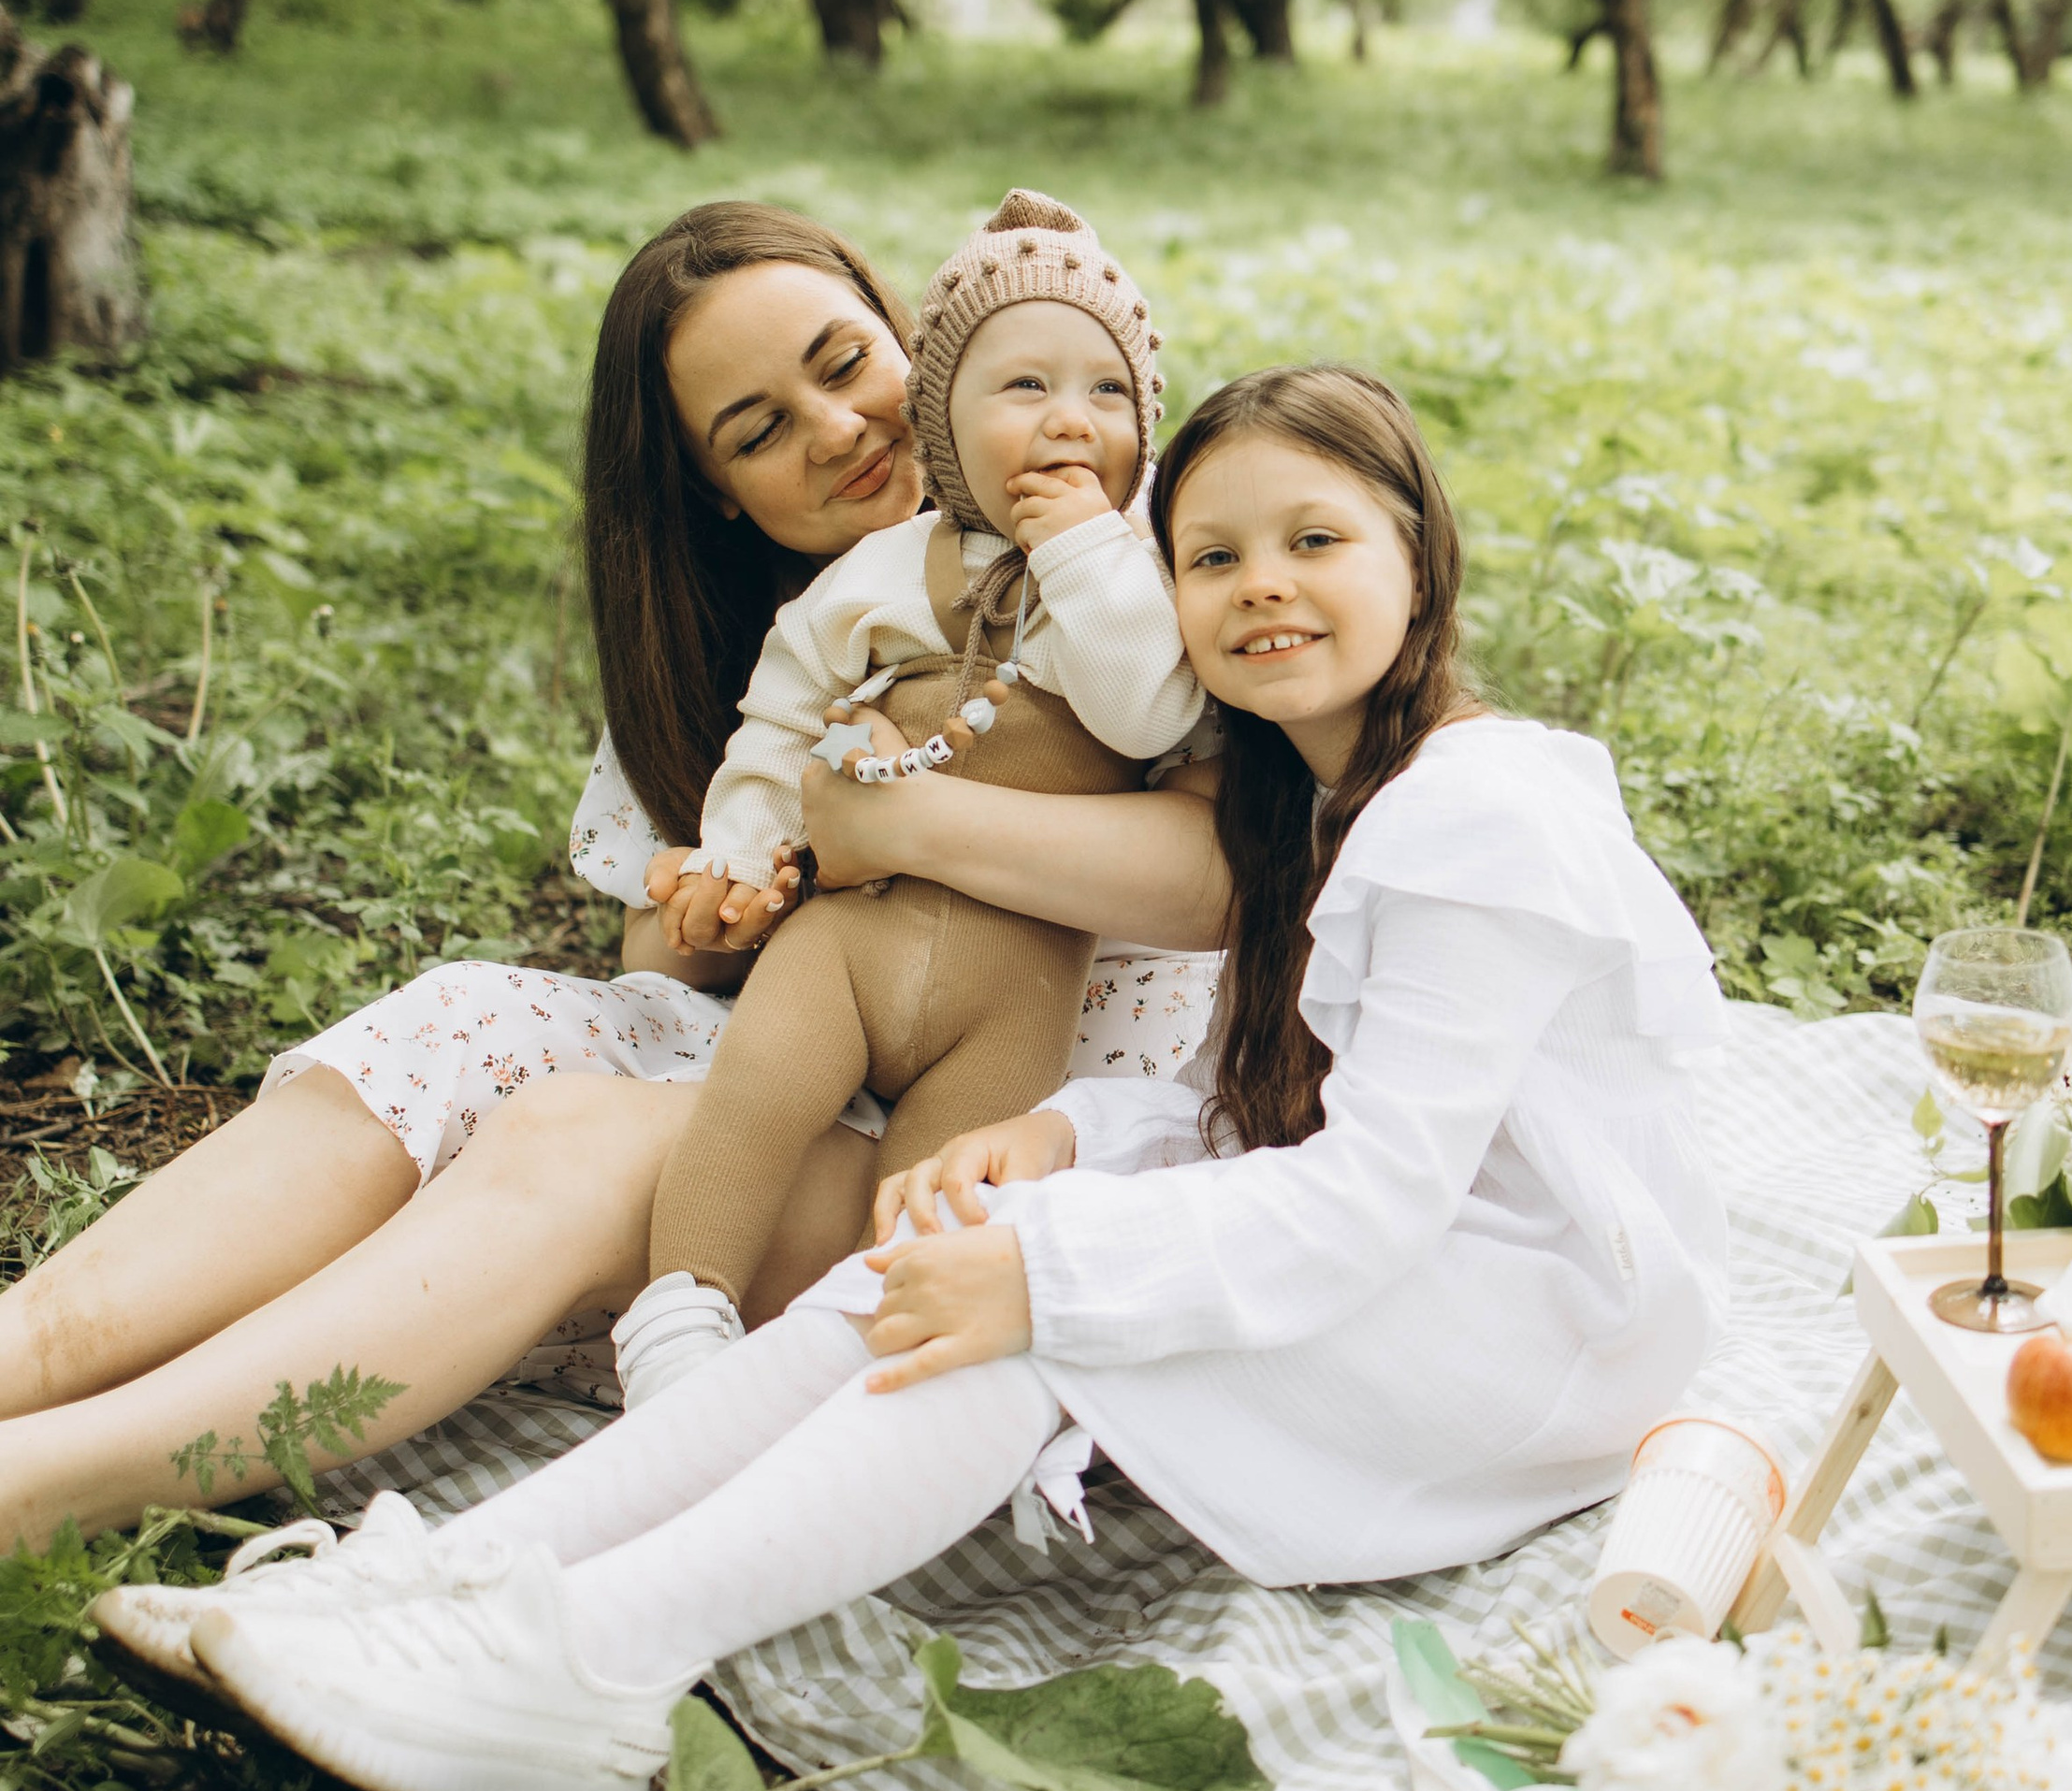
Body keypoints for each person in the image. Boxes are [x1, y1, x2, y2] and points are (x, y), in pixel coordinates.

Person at [167, 367, 1733, 1791]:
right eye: (1213, 556)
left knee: (1028, 1316)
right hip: (1409, 1259)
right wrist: (1066, 1138)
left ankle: (591, 1672)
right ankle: (446, 1581)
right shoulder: (1311, 803)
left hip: (1530, 1329)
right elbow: (1253, 1114)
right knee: (961, 1249)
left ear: (1421, 559)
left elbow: (1377, 1190)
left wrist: (1052, 1267)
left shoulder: (1477, 815)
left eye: (1315, 540)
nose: (1264, 584)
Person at [2, 204, 1224, 1553]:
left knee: (576, 1138)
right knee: (459, 1020)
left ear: (912, 336)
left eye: (844, 362)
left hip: (1026, 1138)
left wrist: (900, 820)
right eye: (757, 431)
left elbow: (1214, 878)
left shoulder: (1136, 538)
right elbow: (660, 963)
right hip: (808, 1066)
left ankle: (48, 1485)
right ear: (716, 489)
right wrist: (724, 897)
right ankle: (26, 1355)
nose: (835, 429)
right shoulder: (791, 621)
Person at [625, 191, 1202, 1381]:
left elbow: (1146, 712)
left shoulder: (1140, 582)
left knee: (939, 1194)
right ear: (944, 411)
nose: (1066, 420)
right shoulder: (879, 571)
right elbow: (781, 717)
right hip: (848, 939)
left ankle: (846, 1367)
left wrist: (1081, 550)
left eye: (1105, 392)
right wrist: (736, 854)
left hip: (1019, 980)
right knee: (754, 1096)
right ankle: (678, 1310)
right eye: (1023, 388)